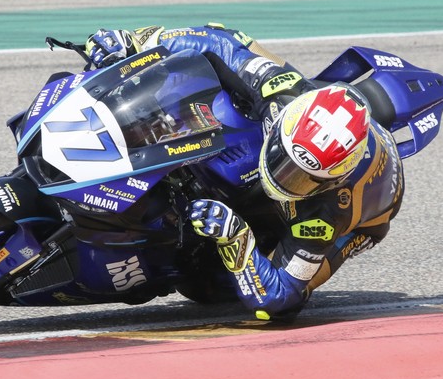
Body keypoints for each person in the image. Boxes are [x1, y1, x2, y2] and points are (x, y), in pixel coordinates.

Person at [84, 24, 404, 321]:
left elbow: (279, 300)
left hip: (368, 213)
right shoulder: (280, 96)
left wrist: (236, 237)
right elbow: (220, 42)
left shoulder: (326, 213)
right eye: (285, 160)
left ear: (332, 180)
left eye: (303, 178)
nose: (285, 177)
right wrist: (138, 42)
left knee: (210, 287)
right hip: (309, 115)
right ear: (283, 127)